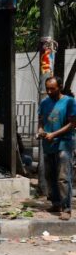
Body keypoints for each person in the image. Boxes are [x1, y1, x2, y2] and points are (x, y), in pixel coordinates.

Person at [37, 76, 76, 221]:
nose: (49, 91)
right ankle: (56, 203)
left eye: (52, 88)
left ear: (60, 87)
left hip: (64, 144)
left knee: (63, 178)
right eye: (47, 88)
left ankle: (66, 208)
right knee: (50, 175)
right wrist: (40, 130)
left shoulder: (69, 102)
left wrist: (54, 134)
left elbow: (73, 124)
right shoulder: (44, 102)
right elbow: (41, 120)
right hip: (48, 144)